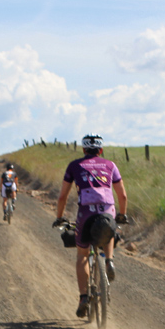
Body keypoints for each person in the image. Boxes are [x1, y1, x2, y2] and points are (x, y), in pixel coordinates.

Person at [52, 134, 129, 318]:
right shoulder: (110, 165)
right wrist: (122, 215)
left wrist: (60, 217)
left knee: (82, 254)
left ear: (83, 150)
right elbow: (123, 196)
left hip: (85, 212)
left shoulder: (74, 165)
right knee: (109, 228)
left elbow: (62, 196)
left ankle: (84, 297)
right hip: (107, 210)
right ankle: (109, 260)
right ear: (101, 150)